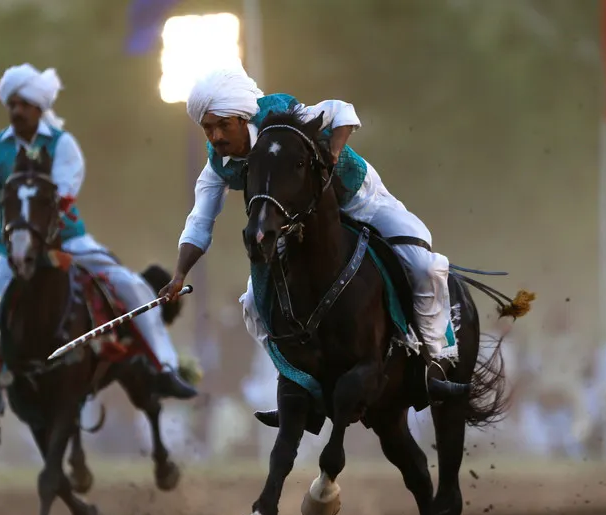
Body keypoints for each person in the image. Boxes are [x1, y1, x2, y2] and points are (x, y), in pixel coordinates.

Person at [159, 67, 456, 423]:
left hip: (361, 202)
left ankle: (434, 364)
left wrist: (332, 152)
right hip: (303, 224)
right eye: (207, 128)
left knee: (423, 265)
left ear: (243, 117)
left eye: (223, 125)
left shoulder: (283, 115)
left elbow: (343, 111)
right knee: (254, 303)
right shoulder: (217, 165)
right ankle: (298, 384)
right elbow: (200, 220)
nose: (216, 136)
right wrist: (179, 273)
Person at [0, 63, 196, 446]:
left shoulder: (62, 144)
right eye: (11, 104)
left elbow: (65, 192)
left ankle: (165, 368)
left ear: (38, 108)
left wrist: (43, 239)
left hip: (68, 242)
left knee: (130, 285)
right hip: (13, 253)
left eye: (23, 104)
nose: (16, 111)